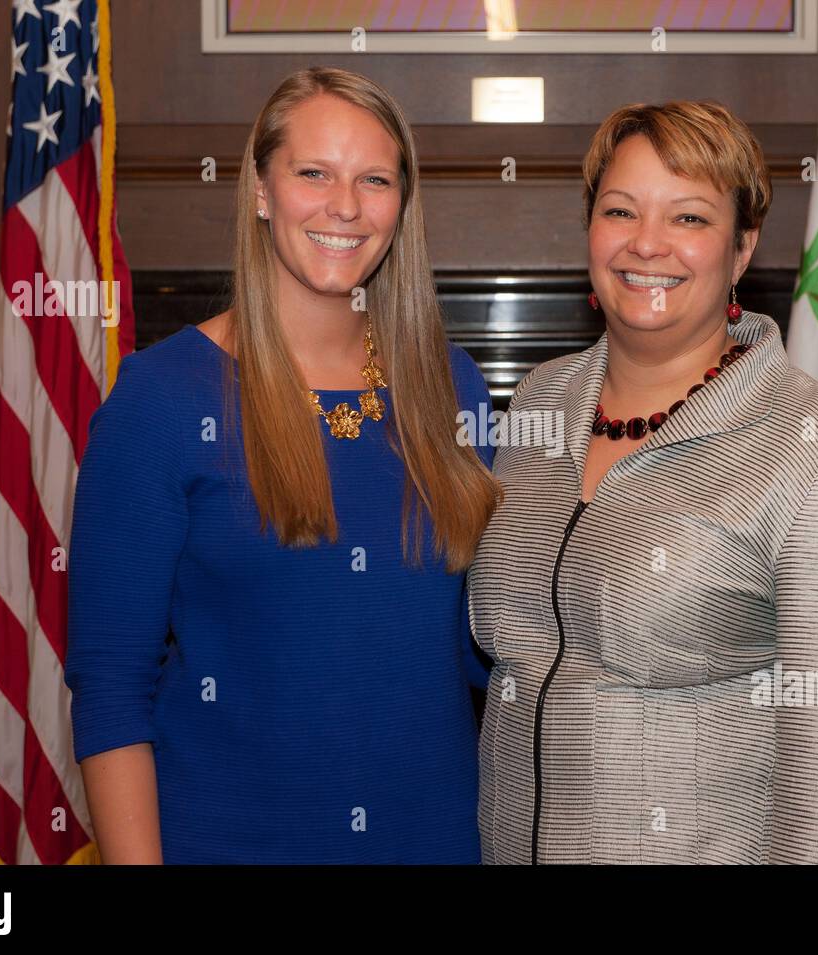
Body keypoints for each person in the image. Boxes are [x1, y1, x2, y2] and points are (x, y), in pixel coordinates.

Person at [66, 67, 500, 863]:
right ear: (262, 189)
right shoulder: (159, 400)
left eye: (374, 179)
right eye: (313, 173)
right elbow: (111, 693)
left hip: (435, 840)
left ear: (401, 206)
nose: (345, 205)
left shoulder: (453, 385)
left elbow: (491, 647)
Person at [468, 100, 818, 864]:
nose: (647, 244)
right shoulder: (539, 403)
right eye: (620, 210)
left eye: (689, 218)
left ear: (742, 250)